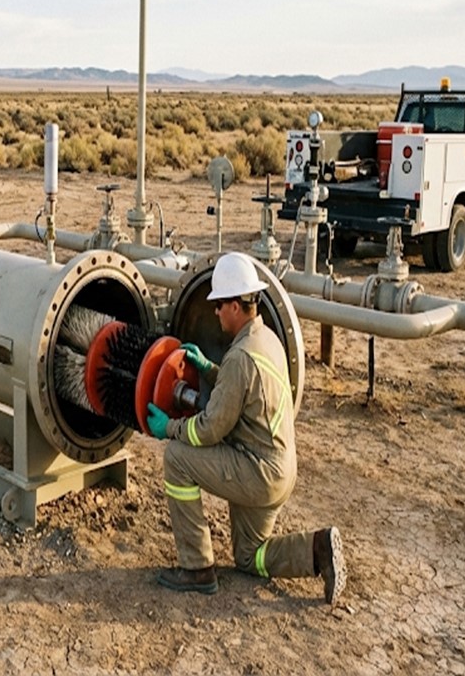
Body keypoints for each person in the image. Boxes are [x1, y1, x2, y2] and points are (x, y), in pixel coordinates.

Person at [145, 253, 345, 602]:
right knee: (249, 556)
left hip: (256, 472)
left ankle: (196, 568)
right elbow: (243, 391)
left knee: (177, 458)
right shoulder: (266, 340)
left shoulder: (239, 359)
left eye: (220, 305)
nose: (216, 312)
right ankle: (317, 549)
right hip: (280, 469)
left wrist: (169, 429)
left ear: (236, 306)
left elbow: (208, 430)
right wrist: (208, 368)